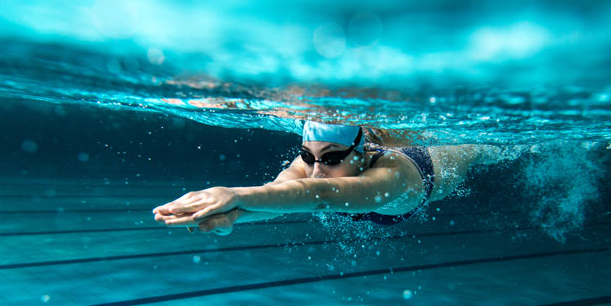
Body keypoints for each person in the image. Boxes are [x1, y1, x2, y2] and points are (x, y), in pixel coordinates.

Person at [153, 120, 496, 235]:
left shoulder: (394, 177)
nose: (316, 169)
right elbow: (277, 194)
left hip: (441, 161)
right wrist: (232, 216)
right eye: (307, 156)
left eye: (331, 158)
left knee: (482, 148)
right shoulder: (314, 164)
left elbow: (322, 194)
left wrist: (232, 193)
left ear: (361, 153)